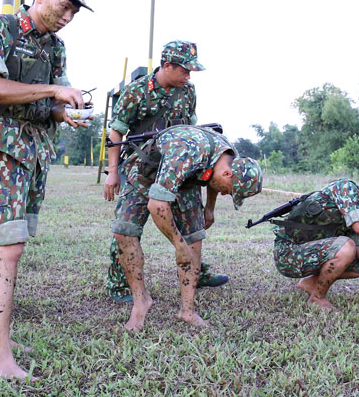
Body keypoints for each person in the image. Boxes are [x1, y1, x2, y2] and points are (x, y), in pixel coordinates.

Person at [0, 0, 92, 380]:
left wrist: (65, 113)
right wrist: (54, 91)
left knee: (10, 242)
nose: (68, 17)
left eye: (74, 11)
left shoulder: (55, 48)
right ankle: (0, 359)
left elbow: (51, 105)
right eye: (63, 6)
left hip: (37, 151)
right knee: (10, 246)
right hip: (4, 145)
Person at [102, 41, 228, 303]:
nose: (188, 76)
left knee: (193, 226)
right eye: (184, 70)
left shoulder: (188, 91)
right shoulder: (137, 92)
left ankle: (198, 272)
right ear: (167, 65)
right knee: (127, 225)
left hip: (180, 168)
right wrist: (113, 173)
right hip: (143, 168)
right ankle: (119, 284)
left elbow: (192, 128)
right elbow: (115, 133)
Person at [110, 124, 262, 331]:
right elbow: (157, 205)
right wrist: (178, 245)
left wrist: (209, 208)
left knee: (195, 237)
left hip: (186, 181)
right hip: (145, 173)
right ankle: (140, 302)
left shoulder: (227, 155)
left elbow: (213, 175)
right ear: (228, 175)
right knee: (124, 231)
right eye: (230, 191)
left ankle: (187, 311)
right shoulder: (187, 152)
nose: (227, 194)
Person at [269, 177, 359, 310]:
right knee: (346, 246)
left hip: (306, 253)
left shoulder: (353, 214)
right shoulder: (346, 188)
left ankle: (311, 283)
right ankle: (317, 298)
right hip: (288, 253)